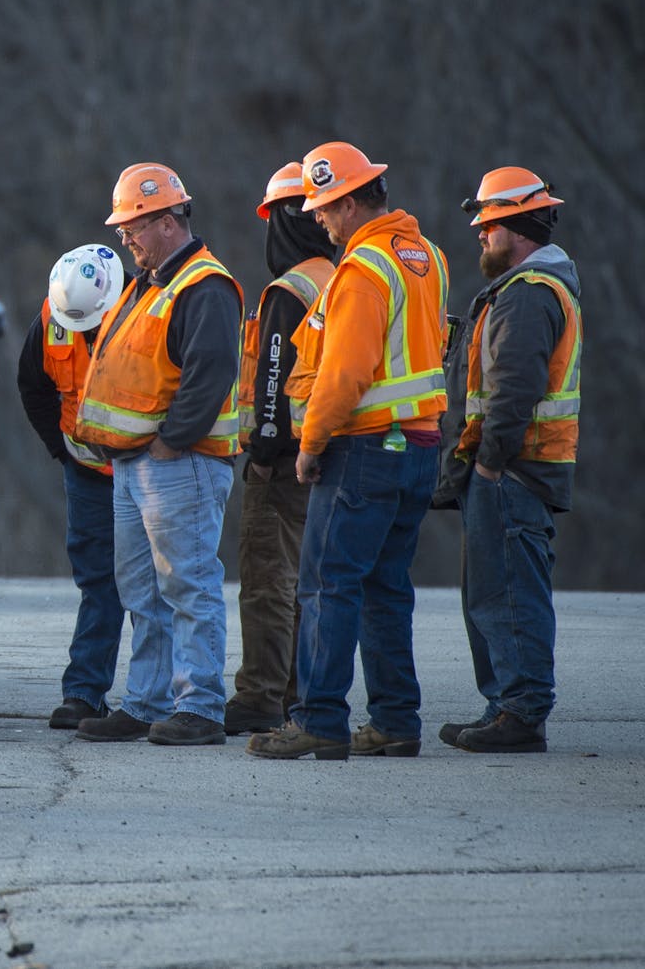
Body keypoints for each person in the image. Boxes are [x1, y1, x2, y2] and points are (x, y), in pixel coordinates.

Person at [247, 142, 449, 761]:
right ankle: (394, 721)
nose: (321, 221)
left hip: (364, 449)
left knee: (326, 586)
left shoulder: (362, 269)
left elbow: (345, 373)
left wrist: (310, 446)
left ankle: (318, 719)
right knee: (387, 587)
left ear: (357, 199)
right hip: (419, 445)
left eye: (329, 208)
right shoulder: (426, 257)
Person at [72, 163, 242, 746]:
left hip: (178, 463)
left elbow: (210, 372)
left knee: (188, 586)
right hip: (135, 464)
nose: (125, 238)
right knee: (142, 591)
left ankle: (200, 707)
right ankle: (145, 702)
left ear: (167, 222)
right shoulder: (151, 284)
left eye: (134, 228)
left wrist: (170, 442)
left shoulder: (204, 284)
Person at [433, 167, 581, 754]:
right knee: (493, 592)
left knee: (509, 595)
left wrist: (489, 463)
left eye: (488, 227)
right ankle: (504, 705)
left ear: (516, 229)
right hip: (510, 468)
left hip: (514, 469)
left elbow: (514, 389)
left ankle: (520, 711)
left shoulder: (527, 295)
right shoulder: (527, 290)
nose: (480, 238)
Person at [224, 163, 337, 736]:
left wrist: (265, 450)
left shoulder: (289, 290)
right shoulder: (338, 277)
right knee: (307, 582)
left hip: (284, 460)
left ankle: (259, 697)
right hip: (330, 456)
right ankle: (298, 692)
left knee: (269, 580)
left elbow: (274, 378)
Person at [17, 244, 128, 729]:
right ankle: (84, 692)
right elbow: (33, 384)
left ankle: (166, 698)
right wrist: (61, 450)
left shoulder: (144, 309)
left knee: (157, 586)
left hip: (145, 466)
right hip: (85, 470)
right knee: (98, 583)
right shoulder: (53, 314)